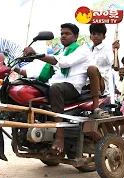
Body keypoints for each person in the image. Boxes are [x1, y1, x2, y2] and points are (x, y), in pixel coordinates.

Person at [23, 23, 91, 154]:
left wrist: (37, 54)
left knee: (55, 88)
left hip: (72, 86)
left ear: (76, 37)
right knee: (31, 87)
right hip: (55, 84)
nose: (63, 36)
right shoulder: (60, 52)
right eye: (62, 33)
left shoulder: (82, 50)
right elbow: (42, 73)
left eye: (67, 33)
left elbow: (64, 62)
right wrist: (17, 70)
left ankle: (60, 136)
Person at [85, 24, 120, 119]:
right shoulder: (87, 51)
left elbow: (116, 67)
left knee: (92, 69)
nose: (96, 36)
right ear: (90, 36)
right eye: (93, 33)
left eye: (99, 34)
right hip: (87, 84)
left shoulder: (107, 50)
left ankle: (96, 107)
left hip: (101, 85)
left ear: (104, 36)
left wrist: (115, 52)